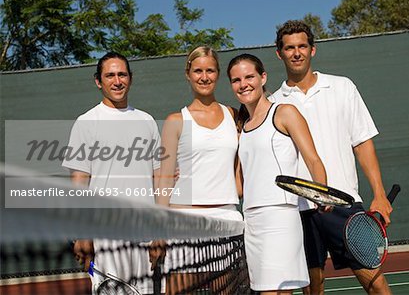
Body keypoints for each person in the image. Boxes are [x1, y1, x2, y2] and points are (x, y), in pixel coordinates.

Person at [271, 20, 393, 295]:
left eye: (302, 46)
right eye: (289, 48)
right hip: (301, 211)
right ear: (279, 53)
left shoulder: (342, 87)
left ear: (313, 50)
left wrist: (379, 194)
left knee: (374, 281)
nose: (297, 52)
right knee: (314, 287)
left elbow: (362, 144)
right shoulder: (274, 102)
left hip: (344, 204)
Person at [227, 53, 327, 294]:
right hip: (251, 220)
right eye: (236, 80)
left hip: (280, 218)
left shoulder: (284, 113)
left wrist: (322, 194)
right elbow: (241, 185)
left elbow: (313, 159)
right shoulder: (242, 127)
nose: (243, 84)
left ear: (263, 78)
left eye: (249, 76)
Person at [62, 51, 162, 294]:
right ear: (99, 81)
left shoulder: (147, 121)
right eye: (110, 76)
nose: (117, 81)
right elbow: (79, 183)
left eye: (122, 75)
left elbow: (158, 178)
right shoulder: (86, 122)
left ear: (130, 78)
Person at [155, 46, 243, 294]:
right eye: (198, 71)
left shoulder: (234, 116)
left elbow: (239, 175)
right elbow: (164, 179)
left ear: (218, 74)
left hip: (226, 221)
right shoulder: (175, 121)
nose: (204, 77)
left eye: (210, 71)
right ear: (188, 74)